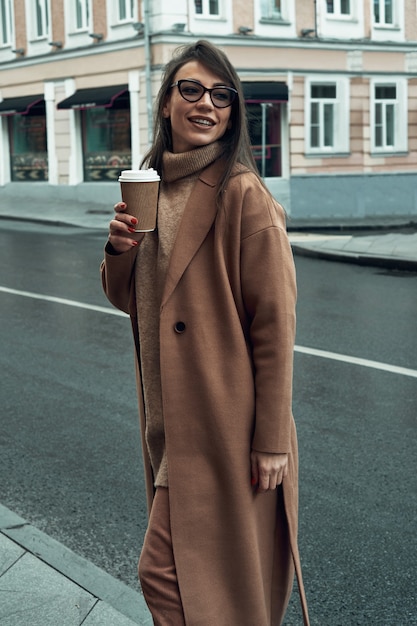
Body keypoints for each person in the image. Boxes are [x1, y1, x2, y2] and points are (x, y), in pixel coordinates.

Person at [101, 39, 310, 626]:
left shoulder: (244, 195)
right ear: (166, 102)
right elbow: (130, 300)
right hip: (170, 418)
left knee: (167, 575)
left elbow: (275, 323)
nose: (206, 104)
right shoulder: (150, 184)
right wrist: (120, 251)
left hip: (224, 421)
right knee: (200, 579)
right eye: (190, 89)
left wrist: (271, 438)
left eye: (222, 95)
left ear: (233, 111)